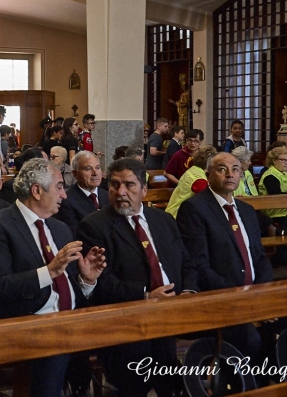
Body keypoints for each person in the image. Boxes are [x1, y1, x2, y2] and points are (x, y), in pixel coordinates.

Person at [0, 158, 105, 396]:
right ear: (36, 190)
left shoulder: (60, 228)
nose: (64, 195)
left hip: (71, 321)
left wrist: (87, 280)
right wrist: (50, 271)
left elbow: (71, 289)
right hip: (29, 322)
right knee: (56, 347)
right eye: (59, 187)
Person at [77, 158, 197, 396]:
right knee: (137, 375)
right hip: (127, 319)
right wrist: (145, 296)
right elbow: (103, 281)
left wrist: (188, 294)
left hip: (174, 311)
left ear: (144, 189)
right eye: (114, 185)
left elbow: (186, 263)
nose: (120, 192)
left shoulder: (163, 220)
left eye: (129, 185)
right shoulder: (94, 226)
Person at [176, 152, 283, 369]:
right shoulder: (194, 209)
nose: (230, 174)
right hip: (220, 300)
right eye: (221, 169)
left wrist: (263, 295)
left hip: (254, 296)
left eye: (235, 169)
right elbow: (200, 267)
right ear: (208, 174)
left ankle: (273, 380)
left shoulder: (247, 210)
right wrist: (244, 299)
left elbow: (260, 258)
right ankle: (245, 383)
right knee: (250, 338)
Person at [54, 151, 108, 237]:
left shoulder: (108, 196)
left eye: (97, 167)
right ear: (75, 174)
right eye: (88, 169)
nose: (95, 173)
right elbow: (76, 235)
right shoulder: (67, 201)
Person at [165, 145, 218, 218]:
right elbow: (211, 198)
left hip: (174, 213)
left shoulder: (194, 170)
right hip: (177, 216)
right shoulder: (199, 179)